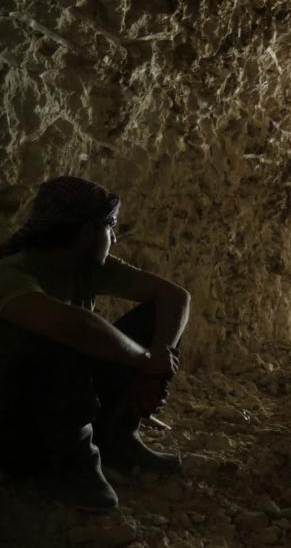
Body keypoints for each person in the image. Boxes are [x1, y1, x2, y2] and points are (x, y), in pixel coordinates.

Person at [0, 177, 189, 511]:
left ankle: (117, 435)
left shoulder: (83, 267)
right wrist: (145, 359)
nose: (114, 237)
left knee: (150, 322)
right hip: (16, 419)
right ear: (88, 232)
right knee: (59, 341)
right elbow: (74, 325)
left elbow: (173, 297)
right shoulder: (12, 272)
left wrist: (155, 364)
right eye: (110, 226)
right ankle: (72, 462)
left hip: (62, 395)